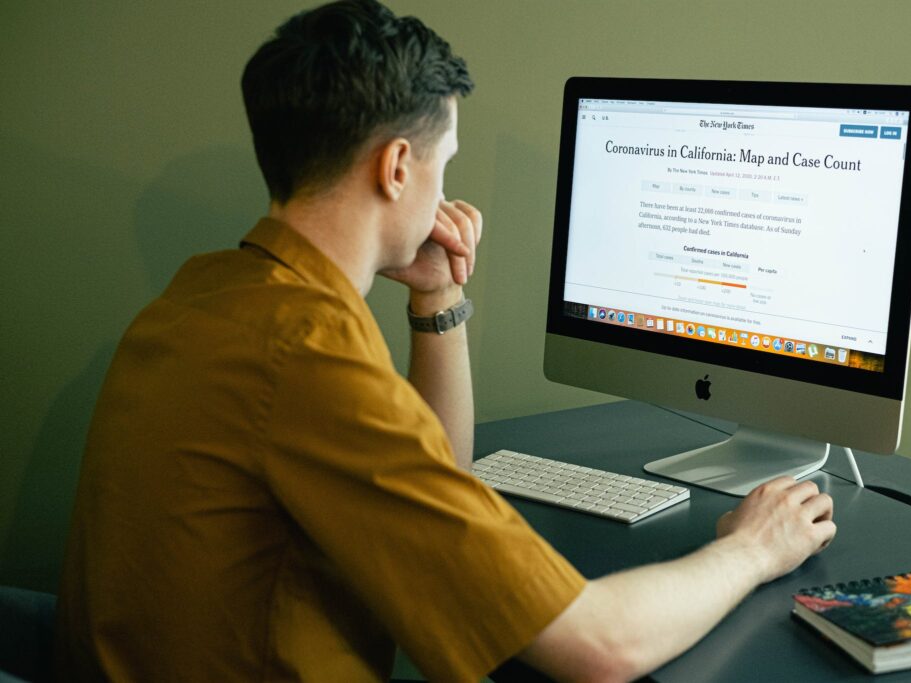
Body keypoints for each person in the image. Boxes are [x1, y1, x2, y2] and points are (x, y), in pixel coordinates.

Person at [55, 1, 837, 681]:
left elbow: (437, 472)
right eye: (444, 162)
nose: (446, 189)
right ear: (397, 166)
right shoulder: (306, 349)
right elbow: (600, 647)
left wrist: (437, 295)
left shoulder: (212, 291)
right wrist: (753, 550)